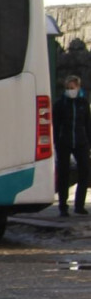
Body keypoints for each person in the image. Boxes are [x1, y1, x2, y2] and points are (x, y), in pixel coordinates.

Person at [53, 75, 91, 217]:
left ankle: (79, 205)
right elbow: (56, 126)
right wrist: (56, 142)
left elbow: (87, 123)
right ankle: (63, 206)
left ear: (78, 88)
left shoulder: (83, 103)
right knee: (64, 174)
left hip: (81, 142)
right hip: (65, 142)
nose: (70, 91)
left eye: (72, 88)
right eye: (68, 88)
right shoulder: (60, 104)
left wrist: (89, 142)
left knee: (85, 172)